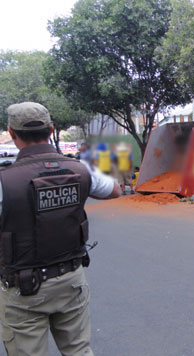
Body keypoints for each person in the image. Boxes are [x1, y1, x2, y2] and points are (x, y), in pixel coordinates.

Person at [0, 102, 121, 355]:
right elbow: (114, 190)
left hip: (23, 288)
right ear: (51, 129)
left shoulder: (5, 181)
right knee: (79, 351)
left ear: (12, 133)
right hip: (71, 279)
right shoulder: (80, 169)